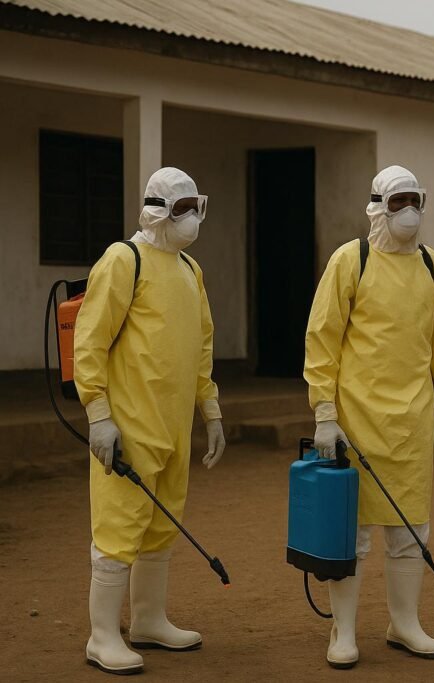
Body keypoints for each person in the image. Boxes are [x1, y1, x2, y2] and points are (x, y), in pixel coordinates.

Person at [304, 166, 434, 667]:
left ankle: (404, 623)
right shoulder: (353, 260)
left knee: (410, 528)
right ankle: (343, 631)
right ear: (377, 206)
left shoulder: (433, 268)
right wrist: (325, 413)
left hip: (412, 421)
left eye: (415, 199)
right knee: (350, 531)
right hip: (355, 419)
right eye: (398, 201)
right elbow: (322, 338)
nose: (408, 210)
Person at [74, 167, 226, 675]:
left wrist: (211, 408)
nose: (191, 219)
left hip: (174, 424)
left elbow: (201, 343)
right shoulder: (125, 260)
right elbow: (89, 342)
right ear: (158, 210)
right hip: (130, 425)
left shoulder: (188, 268)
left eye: (196, 208)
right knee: (119, 528)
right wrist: (98, 415)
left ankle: (148, 620)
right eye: (181, 209)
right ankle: (101, 636)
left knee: (162, 524)